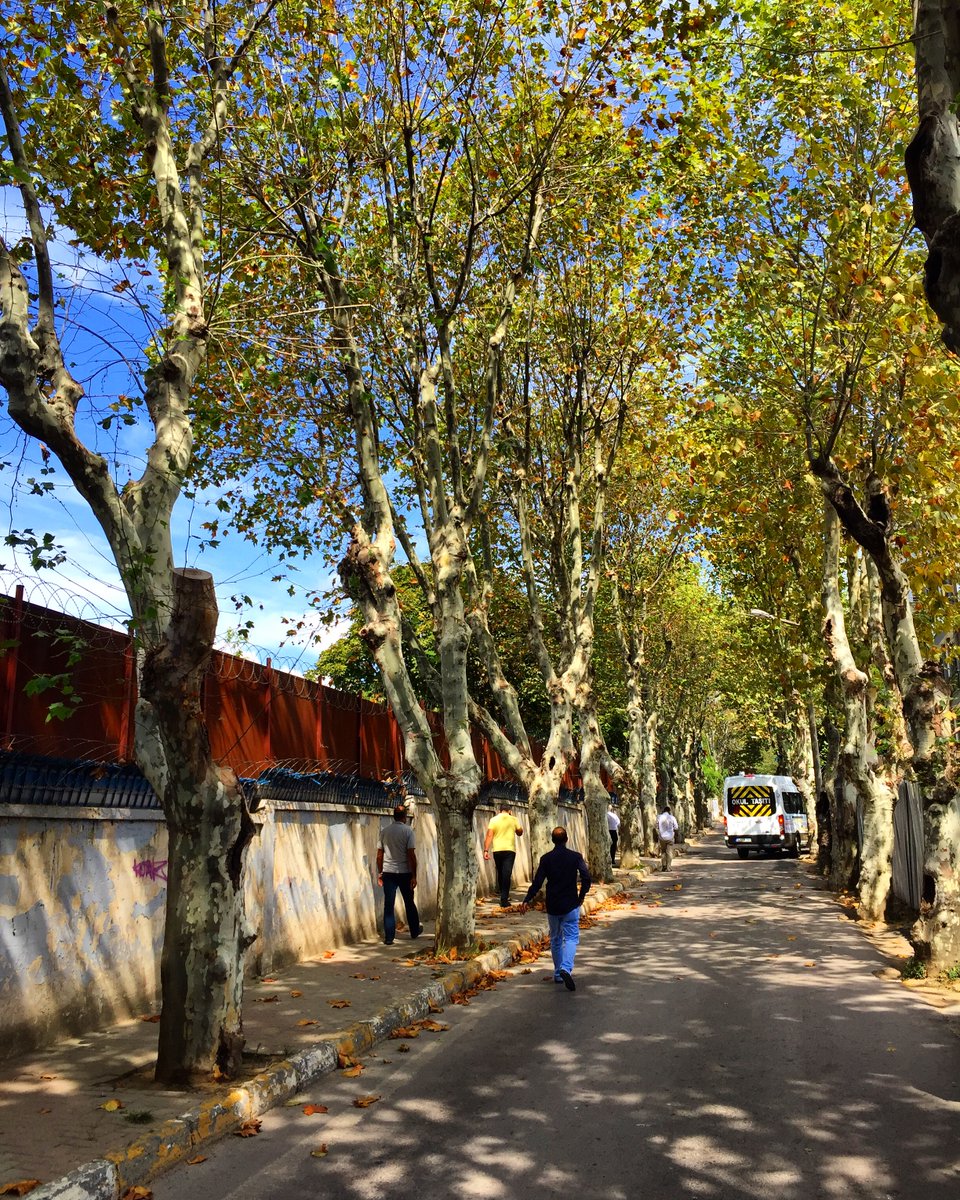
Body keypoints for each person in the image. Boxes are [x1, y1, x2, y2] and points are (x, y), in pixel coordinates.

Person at [519, 826, 591, 991]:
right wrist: (582, 896)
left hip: (553, 905)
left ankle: (558, 973)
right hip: (571, 904)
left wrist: (527, 899)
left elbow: (538, 882)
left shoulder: (546, 859)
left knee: (556, 939)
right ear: (566, 839)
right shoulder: (575, 857)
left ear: (552, 840)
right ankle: (566, 967)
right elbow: (586, 878)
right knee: (571, 938)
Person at [376, 804, 423, 945]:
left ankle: (389, 937)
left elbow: (379, 855)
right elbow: (411, 855)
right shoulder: (408, 831)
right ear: (404, 817)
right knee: (409, 902)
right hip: (404, 872)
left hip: (388, 873)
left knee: (388, 905)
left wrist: (380, 873)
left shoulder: (384, 832)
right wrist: (414, 875)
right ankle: (414, 930)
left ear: (393, 816)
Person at [483, 802, 524, 907]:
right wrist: (518, 828)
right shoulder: (514, 819)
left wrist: (486, 850)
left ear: (499, 810)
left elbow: (489, 835)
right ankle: (504, 899)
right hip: (509, 850)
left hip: (497, 850)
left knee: (501, 873)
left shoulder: (493, 820)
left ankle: (503, 895)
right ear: (509, 811)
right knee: (507, 873)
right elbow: (520, 832)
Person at [657, 803, 679, 872]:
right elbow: (676, 827)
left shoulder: (659, 817)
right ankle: (668, 867)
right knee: (669, 852)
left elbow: (656, 826)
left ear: (663, 811)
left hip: (662, 837)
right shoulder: (672, 818)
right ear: (669, 811)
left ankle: (663, 866)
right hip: (670, 837)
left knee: (663, 851)